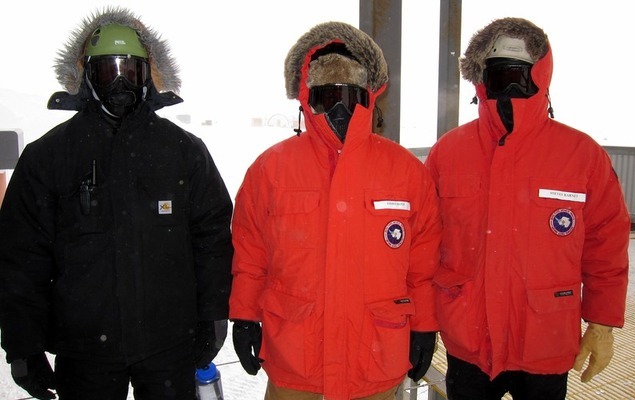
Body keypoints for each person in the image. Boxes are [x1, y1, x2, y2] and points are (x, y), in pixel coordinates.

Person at [0, 7, 233, 400]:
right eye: (109, 71)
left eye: (132, 70)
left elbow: (211, 240)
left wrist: (213, 315)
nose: (121, 82)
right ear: (87, 76)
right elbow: (21, 257)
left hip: (169, 346)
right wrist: (23, 346)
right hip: (84, 350)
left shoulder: (183, 151)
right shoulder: (50, 156)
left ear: (149, 77)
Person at [228, 21, 441, 400]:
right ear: (307, 99)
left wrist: (424, 325)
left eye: (350, 96)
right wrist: (244, 316)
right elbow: (249, 253)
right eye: (328, 97)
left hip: (374, 356)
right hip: (296, 357)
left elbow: (422, 263)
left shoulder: (405, 170)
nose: (340, 110)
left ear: (370, 97)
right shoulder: (270, 169)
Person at [425, 17, 630, 400]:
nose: (512, 85)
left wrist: (601, 325)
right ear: (481, 78)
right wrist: (420, 323)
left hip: (544, 339)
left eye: (521, 72)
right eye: (499, 73)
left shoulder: (580, 154)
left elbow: (607, 245)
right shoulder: (449, 153)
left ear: (542, 74)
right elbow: (422, 244)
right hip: (469, 341)